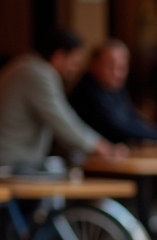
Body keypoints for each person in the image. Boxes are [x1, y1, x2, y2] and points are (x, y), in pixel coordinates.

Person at [0, 30, 121, 169]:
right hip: (11, 164)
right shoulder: (37, 73)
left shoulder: (26, 66)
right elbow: (64, 122)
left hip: (14, 162)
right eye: (74, 62)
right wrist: (103, 148)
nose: (74, 69)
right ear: (58, 57)